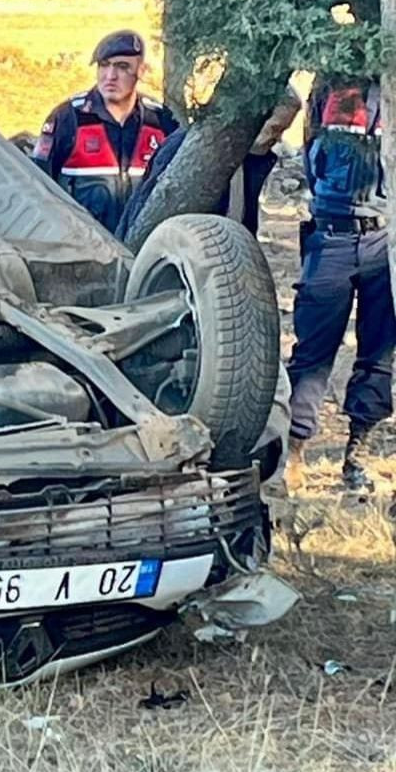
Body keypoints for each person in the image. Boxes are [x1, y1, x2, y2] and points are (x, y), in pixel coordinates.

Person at [286, 77, 395, 492]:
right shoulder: (332, 85)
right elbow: (312, 151)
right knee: (312, 350)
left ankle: (358, 453)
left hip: (386, 239)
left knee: (379, 351)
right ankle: (295, 448)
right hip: (330, 235)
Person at [31, 31, 179, 229]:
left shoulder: (161, 122)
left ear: (141, 71)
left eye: (122, 67)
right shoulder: (69, 118)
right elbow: (36, 186)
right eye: (104, 65)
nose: (110, 76)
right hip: (84, 249)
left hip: (143, 250)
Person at [115, 88, 301, 244]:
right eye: (275, 129)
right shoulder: (184, 147)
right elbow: (141, 210)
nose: (277, 139)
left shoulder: (252, 162)